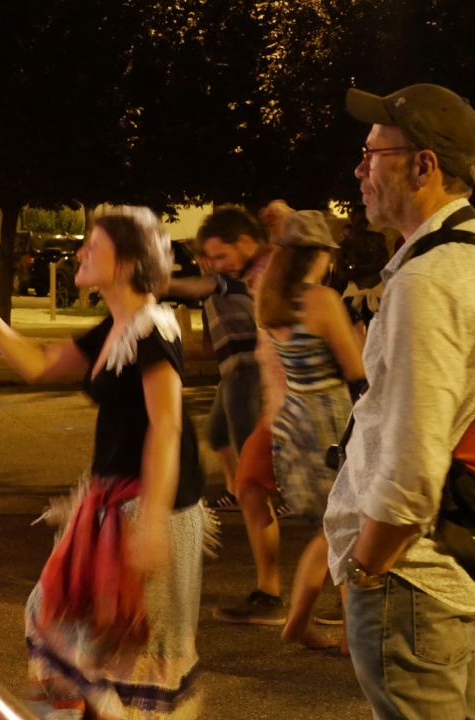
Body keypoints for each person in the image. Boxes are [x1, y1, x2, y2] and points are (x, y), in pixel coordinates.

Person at [327, 82, 475, 718]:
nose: (359, 170)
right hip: (474, 561)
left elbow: (411, 470)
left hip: (414, 580)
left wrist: (364, 572)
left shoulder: (429, 279)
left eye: (372, 154)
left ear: (423, 166)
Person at [0, 206, 208, 718]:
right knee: (66, 632)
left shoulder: (153, 329)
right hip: (112, 505)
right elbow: (38, 364)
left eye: (94, 244)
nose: (81, 251)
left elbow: (167, 426)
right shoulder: (115, 326)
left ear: (127, 261)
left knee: (130, 657)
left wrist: (154, 521)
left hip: (150, 507)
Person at [165, 207, 290, 626]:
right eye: (208, 256)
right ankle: (250, 487)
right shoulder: (248, 274)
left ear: (244, 242)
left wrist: (152, 282)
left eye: (219, 255)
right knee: (218, 434)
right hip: (236, 374)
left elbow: (197, 283)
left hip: (249, 376)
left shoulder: (236, 278)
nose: (213, 263)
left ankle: (272, 588)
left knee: (256, 484)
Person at [255, 210, 365, 651]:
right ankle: (334, 630)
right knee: (343, 525)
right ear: (318, 254)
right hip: (327, 422)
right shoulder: (321, 299)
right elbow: (355, 368)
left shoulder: (271, 299)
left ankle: (312, 624)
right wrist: (360, 336)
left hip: (294, 419)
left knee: (333, 526)